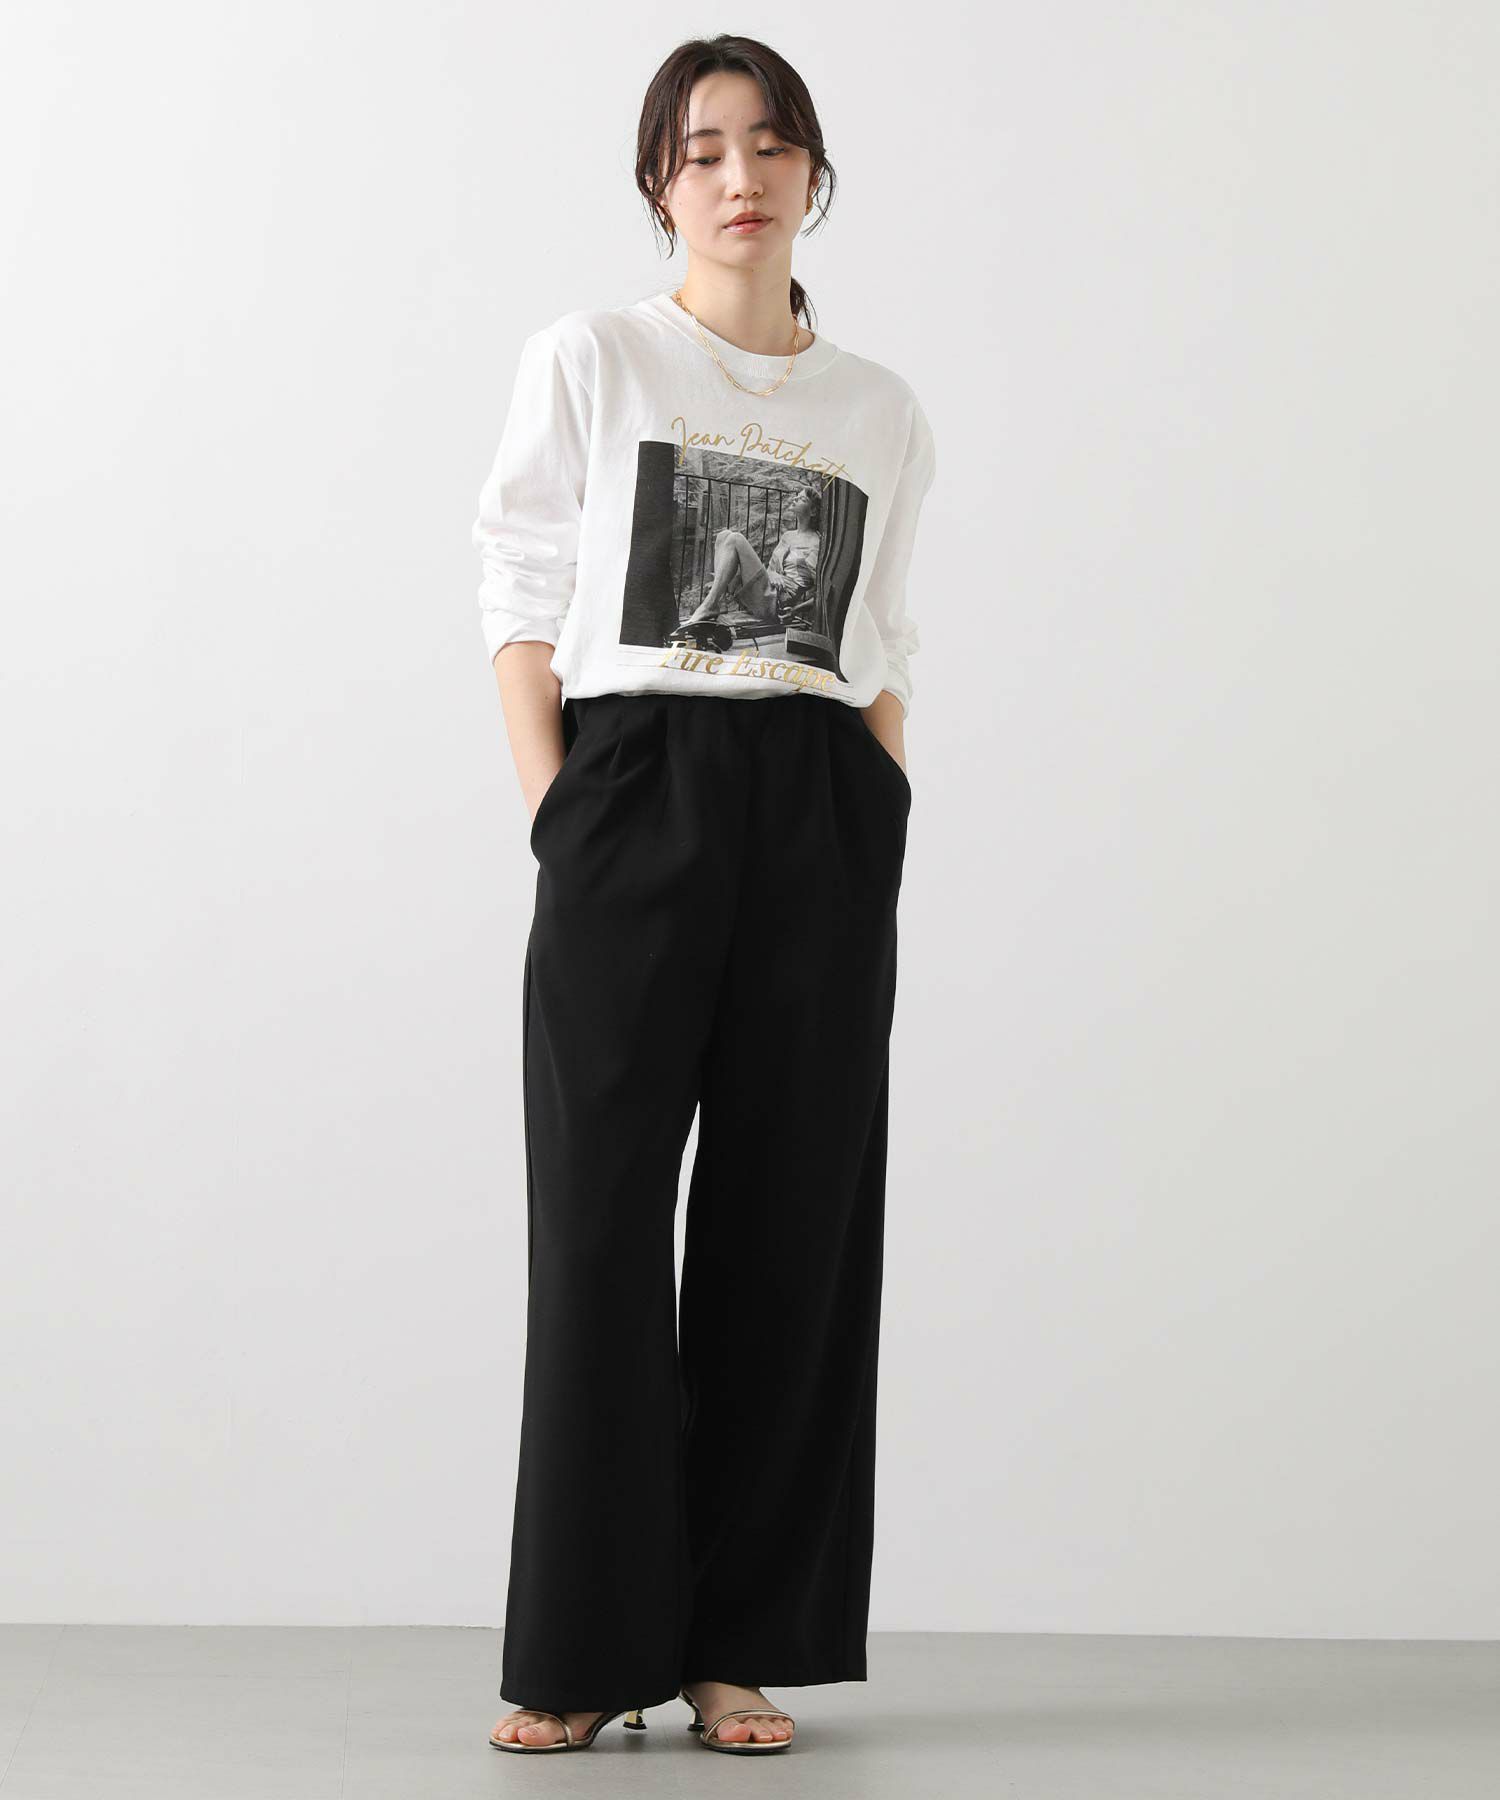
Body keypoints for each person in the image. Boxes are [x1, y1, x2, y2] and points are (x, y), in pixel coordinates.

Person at [472, 33, 937, 1758]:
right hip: (635, 787)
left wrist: (876, 806)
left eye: (770, 145)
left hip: (816, 799)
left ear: (814, 171)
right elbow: (520, 584)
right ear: (660, 183)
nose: (740, 178)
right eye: (702, 150)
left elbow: (883, 635)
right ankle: (586, 1647)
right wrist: (563, 815)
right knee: (600, 1228)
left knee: (788, 1228)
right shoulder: (594, 358)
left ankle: (738, 1645)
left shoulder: (880, 409)